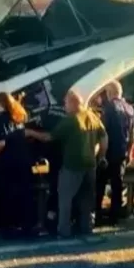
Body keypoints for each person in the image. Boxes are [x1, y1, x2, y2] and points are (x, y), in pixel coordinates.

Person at [29, 90, 107, 238]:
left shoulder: (71, 120)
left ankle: (63, 232)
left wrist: (30, 133)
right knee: (86, 200)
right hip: (90, 165)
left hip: (72, 166)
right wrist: (100, 155)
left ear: (73, 103)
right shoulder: (93, 116)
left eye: (65, 102)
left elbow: (49, 137)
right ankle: (86, 229)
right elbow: (104, 139)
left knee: (65, 199)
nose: (64, 106)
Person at [0, 92, 35, 238]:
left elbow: (1, 142)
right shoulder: (18, 118)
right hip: (24, 161)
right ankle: (27, 227)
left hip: (8, 163)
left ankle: (8, 228)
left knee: (7, 196)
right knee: (25, 195)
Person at [95, 80, 134, 226]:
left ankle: (97, 216)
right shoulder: (130, 109)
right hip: (121, 153)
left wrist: (101, 155)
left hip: (108, 152)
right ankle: (115, 217)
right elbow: (133, 135)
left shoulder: (108, 108)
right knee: (117, 185)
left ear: (109, 93)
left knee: (99, 184)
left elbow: (102, 133)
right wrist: (130, 153)